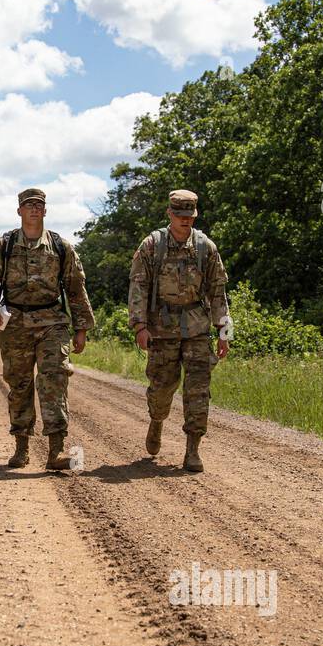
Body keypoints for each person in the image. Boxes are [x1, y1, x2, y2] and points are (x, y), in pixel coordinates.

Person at [0, 188, 95, 471]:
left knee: (54, 378)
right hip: (14, 323)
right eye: (29, 205)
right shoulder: (4, 245)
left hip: (52, 321)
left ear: (45, 211)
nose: (34, 210)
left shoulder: (61, 247)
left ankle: (57, 451)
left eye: (39, 205)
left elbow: (76, 289)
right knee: (19, 383)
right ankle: (21, 447)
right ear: (19, 211)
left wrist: (81, 328)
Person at [127, 189, 231, 472]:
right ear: (170, 214)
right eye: (180, 216)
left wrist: (224, 330)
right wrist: (139, 326)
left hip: (197, 326)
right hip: (161, 328)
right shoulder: (152, 245)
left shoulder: (205, 247)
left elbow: (218, 291)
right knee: (162, 388)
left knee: (198, 390)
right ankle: (157, 421)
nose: (185, 221)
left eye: (190, 216)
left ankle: (192, 450)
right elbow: (139, 286)